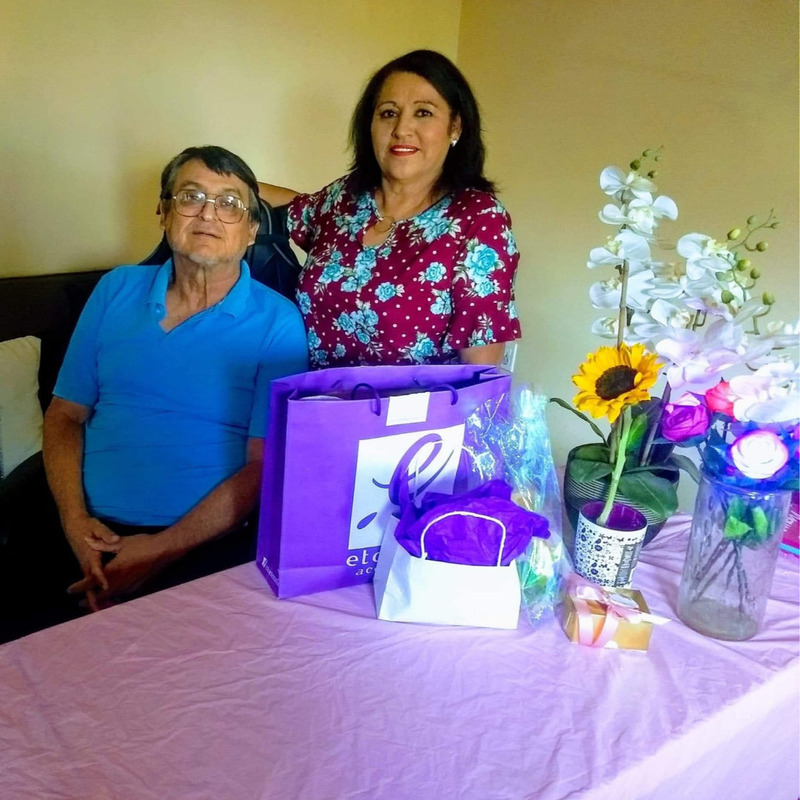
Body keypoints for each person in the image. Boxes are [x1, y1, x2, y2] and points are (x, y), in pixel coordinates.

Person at [2, 146, 308, 638]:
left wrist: (162, 549)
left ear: (252, 229)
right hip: (79, 531)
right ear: (163, 212)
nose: (208, 213)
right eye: (191, 197)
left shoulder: (279, 322)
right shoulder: (116, 289)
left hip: (201, 547)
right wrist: (75, 523)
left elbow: (263, 464)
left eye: (229, 203)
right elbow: (64, 415)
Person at [259, 49, 521, 369]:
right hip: (310, 398)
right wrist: (219, 184)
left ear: (455, 126)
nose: (401, 128)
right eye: (388, 113)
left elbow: (479, 371)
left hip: (416, 403)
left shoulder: (478, 219)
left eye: (423, 112)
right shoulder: (345, 199)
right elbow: (294, 206)